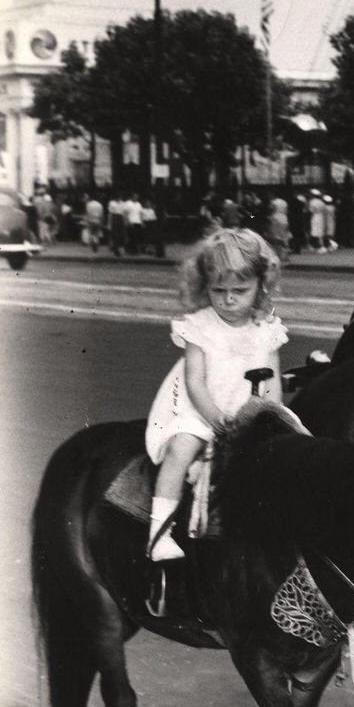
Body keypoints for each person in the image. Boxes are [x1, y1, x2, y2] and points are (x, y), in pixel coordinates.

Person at [144, 228, 286, 562]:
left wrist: (270, 417)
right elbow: (194, 381)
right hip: (201, 409)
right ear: (204, 285)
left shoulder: (267, 329)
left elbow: (274, 382)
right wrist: (213, 419)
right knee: (180, 448)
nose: (229, 299)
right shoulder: (200, 326)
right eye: (218, 290)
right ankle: (158, 534)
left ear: (261, 285)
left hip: (248, 413)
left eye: (240, 290)